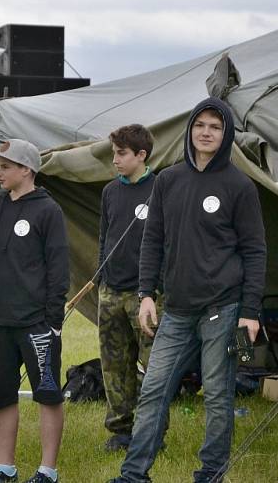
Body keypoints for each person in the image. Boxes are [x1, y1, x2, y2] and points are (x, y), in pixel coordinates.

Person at [108, 97, 267, 483]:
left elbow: (255, 251)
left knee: (216, 396)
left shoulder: (239, 186)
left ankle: (210, 474)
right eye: (200, 125)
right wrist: (146, 294)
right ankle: (133, 475)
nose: (206, 132)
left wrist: (250, 311)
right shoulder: (168, 180)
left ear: (225, 133)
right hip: (176, 309)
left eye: (215, 126)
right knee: (154, 389)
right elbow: (153, 241)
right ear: (190, 130)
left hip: (223, 308)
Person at [0, 138, 70, 483]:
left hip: (36, 323)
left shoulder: (48, 211)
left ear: (27, 169)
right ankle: (4, 467)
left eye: (6, 166)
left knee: (48, 394)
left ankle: (47, 471)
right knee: (1, 395)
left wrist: (53, 322)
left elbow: (58, 271)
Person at [97, 124, 163, 452]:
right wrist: (100, 275)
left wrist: (155, 287)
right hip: (110, 290)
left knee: (153, 366)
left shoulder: (161, 188)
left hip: (146, 293)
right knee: (114, 363)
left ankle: (152, 432)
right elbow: (104, 236)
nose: (115, 160)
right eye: (114, 154)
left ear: (141, 155)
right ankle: (120, 429)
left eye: (121, 154)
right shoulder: (110, 191)